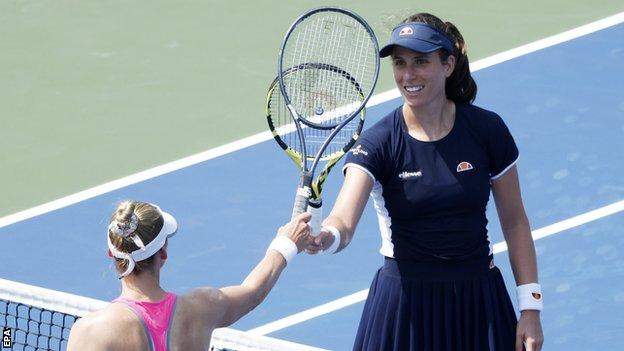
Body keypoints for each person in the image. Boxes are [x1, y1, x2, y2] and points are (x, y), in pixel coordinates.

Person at [306, 12, 544, 351]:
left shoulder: (487, 131)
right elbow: (342, 220)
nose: (407, 75)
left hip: (477, 299)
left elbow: (515, 221)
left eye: (421, 62)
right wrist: (325, 238)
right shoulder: (378, 144)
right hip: (404, 307)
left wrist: (530, 307)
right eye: (400, 63)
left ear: (447, 65)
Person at [67, 201, 311, 351]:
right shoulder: (201, 308)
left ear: (112, 253)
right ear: (163, 252)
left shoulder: (90, 331)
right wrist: (286, 243)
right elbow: (253, 292)